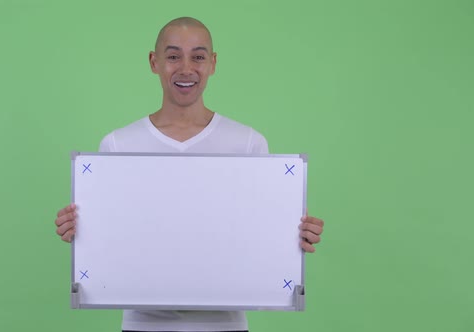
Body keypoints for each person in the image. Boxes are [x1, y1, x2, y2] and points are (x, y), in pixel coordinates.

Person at [54, 17, 324, 332]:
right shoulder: (118, 144)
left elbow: (259, 234)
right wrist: (80, 228)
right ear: (154, 62)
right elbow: (110, 234)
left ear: (213, 63)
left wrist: (294, 231)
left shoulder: (248, 143)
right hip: (143, 325)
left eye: (197, 56)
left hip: (226, 325)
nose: (186, 68)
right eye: (173, 56)